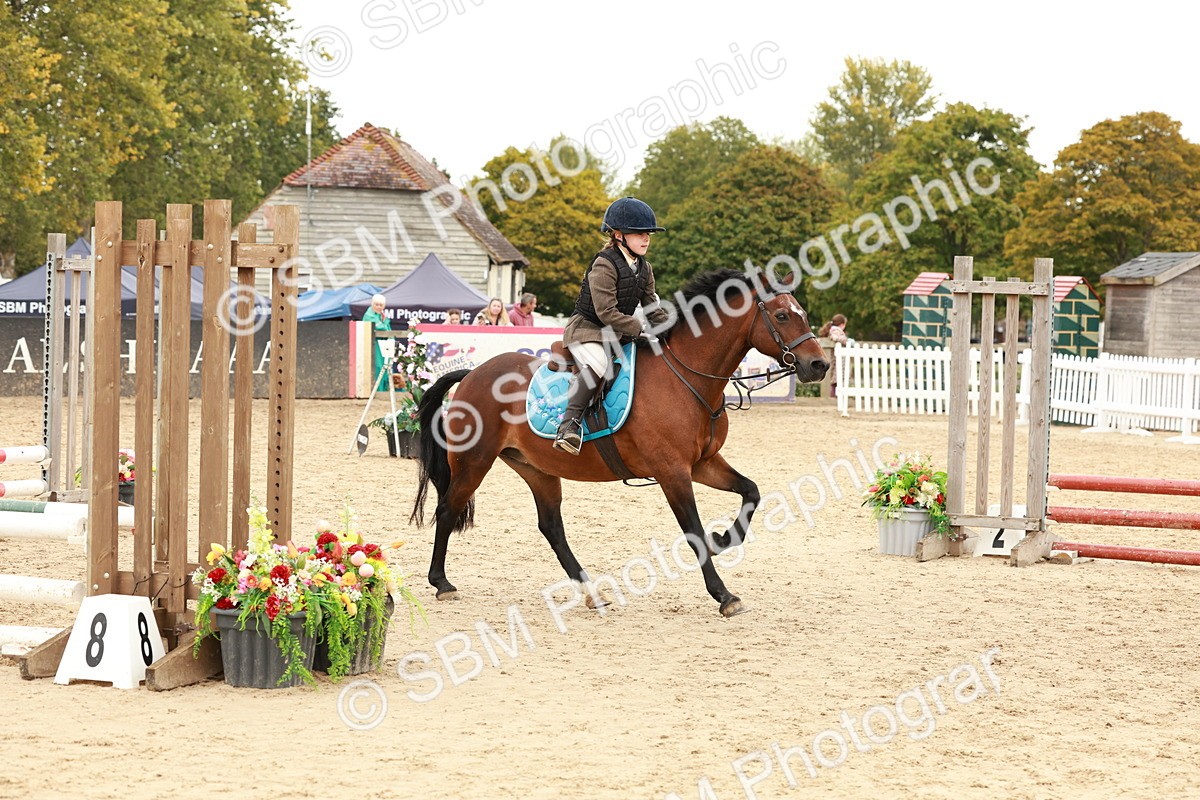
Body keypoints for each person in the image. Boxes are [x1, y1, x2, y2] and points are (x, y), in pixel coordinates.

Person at [553, 196, 670, 455]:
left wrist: (670, 330)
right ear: (618, 235)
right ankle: (569, 426)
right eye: (638, 233)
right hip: (587, 329)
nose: (646, 238)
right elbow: (606, 312)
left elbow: (652, 308)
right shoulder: (604, 264)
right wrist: (640, 329)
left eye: (648, 233)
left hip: (618, 333)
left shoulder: (645, 267)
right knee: (599, 363)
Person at [362, 294, 392, 391]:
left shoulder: (381, 316)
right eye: (377, 304)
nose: (379, 307)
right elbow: (380, 327)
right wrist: (384, 322)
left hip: (383, 344)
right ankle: (377, 390)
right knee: (377, 366)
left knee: (385, 365)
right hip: (373, 344)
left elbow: (388, 330)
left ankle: (382, 389)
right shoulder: (369, 314)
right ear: (372, 304)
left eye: (381, 305)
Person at [818, 313, 848, 397]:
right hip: (836, 359)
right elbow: (834, 337)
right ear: (842, 324)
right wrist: (846, 340)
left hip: (836, 358)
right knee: (836, 379)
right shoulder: (836, 330)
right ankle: (833, 396)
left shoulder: (833, 329)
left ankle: (834, 395)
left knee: (835, 378)